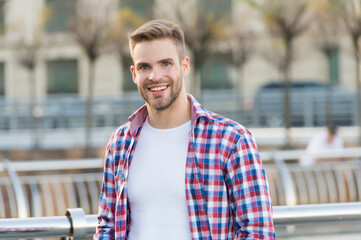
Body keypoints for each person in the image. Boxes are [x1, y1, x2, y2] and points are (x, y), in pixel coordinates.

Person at [94, 19, 275, 240]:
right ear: (134, 74)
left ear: (185, 65)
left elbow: (257, 232)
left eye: (166, 63)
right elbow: (107, 226)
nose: (155, 76)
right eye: (144, 67)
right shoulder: (120, 142)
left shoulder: (231, 140)